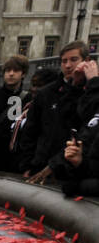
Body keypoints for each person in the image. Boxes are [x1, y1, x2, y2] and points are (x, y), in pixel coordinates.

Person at [23, 42, 99, 182]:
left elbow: (85, 121)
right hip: (42, 165)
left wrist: (86, 84)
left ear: (86, 61)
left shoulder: (93, 92)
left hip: (73, 169)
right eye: (64, 61)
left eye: (74, 60)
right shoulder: (45, 93)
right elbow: (30, 131)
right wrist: (28, 164)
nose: (68, 65)